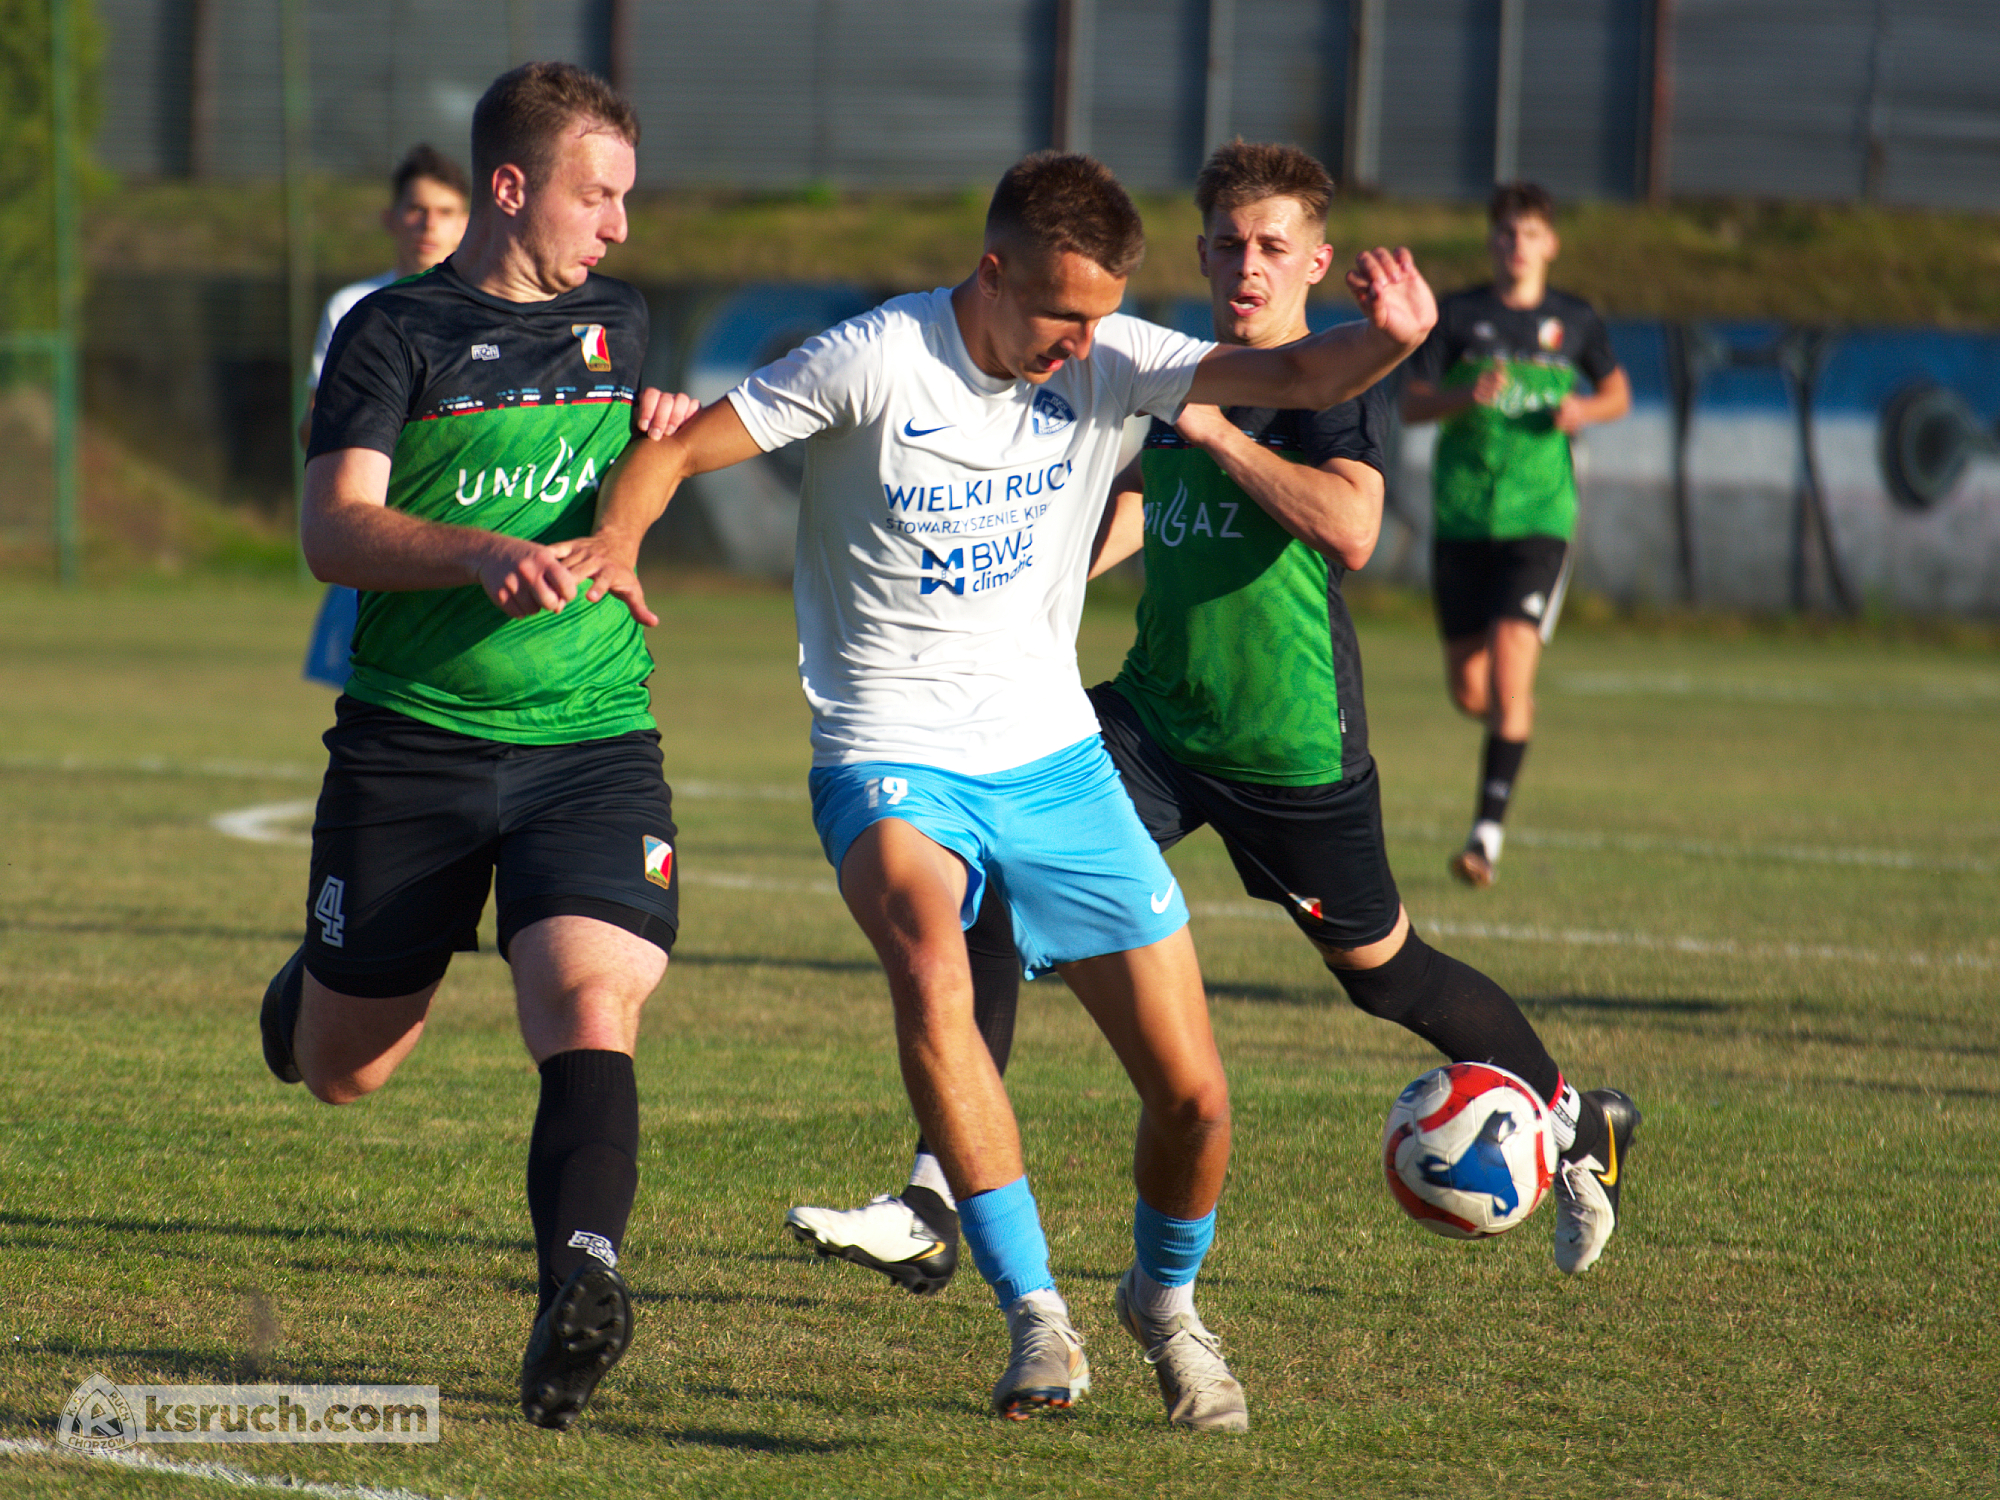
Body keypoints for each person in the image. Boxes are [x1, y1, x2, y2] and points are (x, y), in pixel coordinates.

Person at [575, 151, 1437, 1429]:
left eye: (1099, 319)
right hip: (886, 752)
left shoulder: (1112, 353)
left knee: (1194, 1101)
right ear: (992, 273)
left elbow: (1305, 377)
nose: (1080, 347)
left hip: (1054, 760)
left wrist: (1393, 339)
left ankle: (1164, 1306)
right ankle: (1035, 1316)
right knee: (933, 972)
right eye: (1059, 317)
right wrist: (617, 540)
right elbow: (680, 450)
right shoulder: (873, 357)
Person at [785, 142, 1642, 1323]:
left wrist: (1225, 435)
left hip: (1286, 750)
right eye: (1229, 244)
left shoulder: (1327, 379)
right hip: (1150, 721)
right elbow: (1133, 504)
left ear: (1315, 262)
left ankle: (1576, 1124)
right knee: (984, 897)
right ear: (1197, 252)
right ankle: (934, 1204)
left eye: (1273, 246)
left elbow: (1350, 530)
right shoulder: (1172, 363)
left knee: (1385, 975)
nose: (1248, 265)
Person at [257, 62, 697, 1434]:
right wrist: (476, 553)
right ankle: (316, 979)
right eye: (596, 196)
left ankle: (581, 1282)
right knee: (347, 1068)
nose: (618, 226)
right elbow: (333, 531)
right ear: (511, 188)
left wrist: (654, 452)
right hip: (414, 747)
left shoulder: (619, 320)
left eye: (624, 197)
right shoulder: (393, 331)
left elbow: (627, 485)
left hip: (591, 736)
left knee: (590, 1002)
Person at [1400, 181, 1631, 888]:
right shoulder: (1458, 315)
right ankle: (1515, 721)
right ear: (1491, 241)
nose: (1517, 246)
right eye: (1506, 233)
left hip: (1540, 520)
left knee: (1506, 672)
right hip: (1464, 516)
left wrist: (1582, 412)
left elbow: (1617, 393)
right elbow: (1410, 404)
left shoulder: (1576, 320)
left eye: (1530, 233)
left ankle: (1485, 837)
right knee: (1473, 692)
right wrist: (1460, 397)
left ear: (1550, 244)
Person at [298, 145, 472, 689]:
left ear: (468, 222)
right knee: (365, 691)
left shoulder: (486, 311)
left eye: (445, 212)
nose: (429, 225)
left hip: (462, 528)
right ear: (390, 218)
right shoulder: (352, 306)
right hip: (377, 530)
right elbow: (313, 426)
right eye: (417, 209)